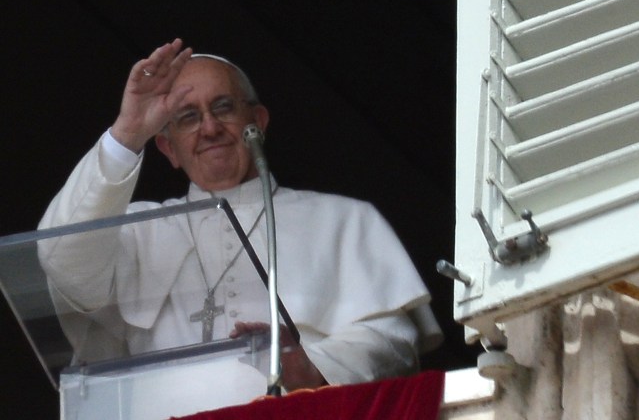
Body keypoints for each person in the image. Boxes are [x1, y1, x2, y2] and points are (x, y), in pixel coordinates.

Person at [38, 38, 442, 395]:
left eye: (223, 107)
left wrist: (312, 364)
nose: (210, 127)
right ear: (168, 149)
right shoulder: (138, 231)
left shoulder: (342, 220)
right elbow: (60, 260)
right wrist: (127, 132)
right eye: (188, 117)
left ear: (258, 123)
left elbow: (391, 342)